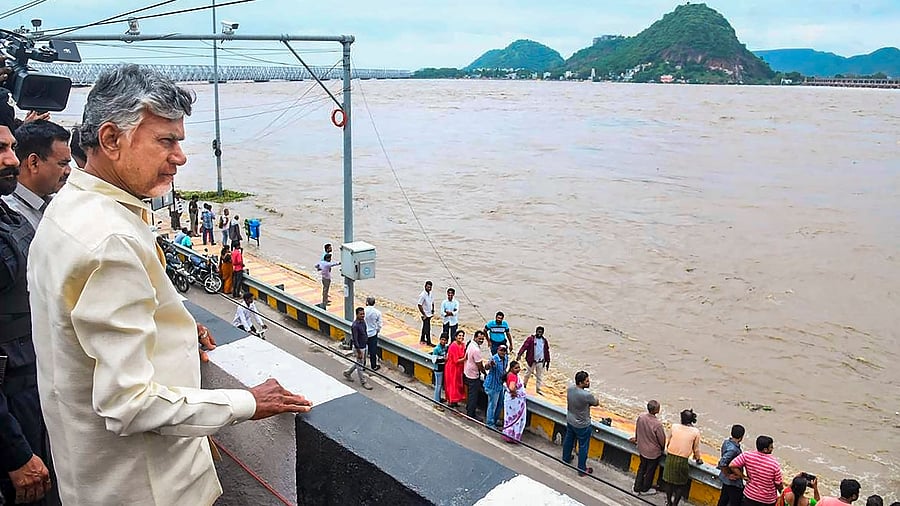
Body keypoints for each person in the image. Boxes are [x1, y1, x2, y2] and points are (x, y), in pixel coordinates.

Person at [26, 64, 313, 506]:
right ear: (110, 140)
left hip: (91, 478)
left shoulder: (66, 210)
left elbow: (85, 334)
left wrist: (171, 334)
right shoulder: (111, 240)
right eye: (166, 141)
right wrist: (245, 403)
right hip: (149, 488)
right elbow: (130, 404)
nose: (179, 157)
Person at [0, 122, 59, 506]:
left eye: (11, 148)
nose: (11, 160)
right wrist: (16, 452)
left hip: (30, 392)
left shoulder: (9, 217)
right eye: (1, 150)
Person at [2, 120, 71, 229]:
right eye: (62, 164)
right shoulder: (9, 216)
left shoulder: (56, 203)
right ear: (33, 163)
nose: (68, 171)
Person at [728, 435, 785, 506]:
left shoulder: (747, 455)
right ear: (765, 449)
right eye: (771, 447)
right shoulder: (774, 464)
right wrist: (781, 492)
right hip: (767, 500)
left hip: (749, 495)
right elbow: (778, 483)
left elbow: (732, 465)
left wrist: (743, 476)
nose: (772, 448)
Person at [663, 409, 703, 506]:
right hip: (682, 460)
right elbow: (696, 449)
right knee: (680, 485)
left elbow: (668, 442)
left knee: (669, 482)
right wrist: (698, 459)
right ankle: (675, 504)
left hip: (670, 458)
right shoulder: (695, 432)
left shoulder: (674, 427)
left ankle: (669, 502)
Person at [562, 370, 599, 476]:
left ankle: (566, 458)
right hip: (582, 424)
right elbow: (596, 402)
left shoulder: (570, 390)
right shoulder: (587, 395)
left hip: (570, 420)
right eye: (586, 381)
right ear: (581, 383)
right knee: (583, 446)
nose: (589, 382)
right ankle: (582, 469)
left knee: (569, 440)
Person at [630, 400, 666, 496]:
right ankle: (645, 489)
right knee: (650, 471)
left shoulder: (641, 417)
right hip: (653, 453)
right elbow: (662, 440)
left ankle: (636, 487)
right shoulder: (657, 424)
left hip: (642, 449)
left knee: (642, 468)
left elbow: (638, 430)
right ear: (656, 410)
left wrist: (637, 439)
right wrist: (662, 448)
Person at [343, 307, 373, 390]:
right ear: (357, 315)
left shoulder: (363, 322)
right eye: (361, 314)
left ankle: (347, 372)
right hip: (359, 348)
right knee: (360, 366)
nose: (363, 315)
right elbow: (355, 340)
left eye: (363, 314)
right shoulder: (355, 326)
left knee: (359, 363)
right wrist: (359, 351)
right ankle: (363, 382)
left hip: (364, 346)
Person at [516, 326, 551, 395]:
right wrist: (519, 354)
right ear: (536, 331)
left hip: (540, 361)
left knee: (539, 376)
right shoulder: (531, 339)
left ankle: (538, 389)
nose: (539, 333)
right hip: (531, 360)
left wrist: (548, 361)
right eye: (538, 331)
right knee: (527, 374)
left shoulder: (544, 341)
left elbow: (546, 351)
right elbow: (524, 346)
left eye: (541, 332)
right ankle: (524, 385)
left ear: (543, 333)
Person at [716, 424, 746, 506]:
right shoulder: (733, 450)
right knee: (735, 502)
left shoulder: (726, 443)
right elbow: (722, 462)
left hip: (726, 479)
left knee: (723, 499)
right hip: (733, 480)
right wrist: (728, 475)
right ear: (741, 437)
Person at [483, 344, 509, 429]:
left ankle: (495, 419)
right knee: (492, 404)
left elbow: (504, 370)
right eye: (501, 350)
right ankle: (489, 423)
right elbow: (487, 367)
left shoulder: (506, 358)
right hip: (492, 385)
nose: (502, 352)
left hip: (500, 384)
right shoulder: (494, 358)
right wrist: (490, 364)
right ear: (498, 350)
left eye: (504, 350)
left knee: (500, 403)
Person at [463, 330, 487, 418]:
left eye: (482, 339)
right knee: (473, 395)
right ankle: (471, 413)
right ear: (475, 337)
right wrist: (484, 372)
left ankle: (469, 408)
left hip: (467, 372)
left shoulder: (470, 344)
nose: (481, 341)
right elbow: (479, 364)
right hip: (473, 375)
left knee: (469, 393)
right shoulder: (476, 350)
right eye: (479, 339)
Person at [502, 360, 526, 443]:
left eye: (519, 367)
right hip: (514, 402)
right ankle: (513, 437)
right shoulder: (513, 376)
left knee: (509, 418)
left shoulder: (510, 375)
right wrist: (515, 393)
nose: (518, 369)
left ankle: (509, 435)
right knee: (515, 419)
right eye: (516, 368)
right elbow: (512, 387)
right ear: (511, 368)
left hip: (510, 401)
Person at [444, 330, 467, 408]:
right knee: (452, 384)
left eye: (462, 336)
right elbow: (456, 360)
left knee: (458, 385)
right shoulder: (453, 346)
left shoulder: (463, 345)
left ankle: (456, 400)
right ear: (455, 337)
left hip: (459, 368)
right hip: (452, 368)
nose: (461, 337)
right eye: (459, 336)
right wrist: (465, 358)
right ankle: (450, 401)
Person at [431, 332, 449, 410]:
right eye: (442, 340)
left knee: (440, 385)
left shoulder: (445, 348)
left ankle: (438, 398)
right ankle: (436, 403)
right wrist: (443, 359)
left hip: (443, 368)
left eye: (445, 340)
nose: (443, 341)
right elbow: (434, 360)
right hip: (438, 369)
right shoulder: (436, 349)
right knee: (438, 386)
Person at [364, 296, 383, 370]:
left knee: (363, 350)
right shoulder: (377, 313)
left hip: (364, 333)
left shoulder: (363, 311)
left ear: (367, 303)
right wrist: (377, 331)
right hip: (373, 334)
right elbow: (379, 324)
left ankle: (363, 365)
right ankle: (373, 365)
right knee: (373, 351)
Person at [417, 280, 435, 345]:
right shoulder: (422, 295)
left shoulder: (430, 293)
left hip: (429, 313)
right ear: (425, 286)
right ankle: (429, 342)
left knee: (425, 327)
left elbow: (432, 302)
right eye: (428, 287)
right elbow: (419, 305)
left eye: (430, 287)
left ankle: (422, 339)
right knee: (427, 328)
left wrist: (433, 309)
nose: (429, 288)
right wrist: (424, 314)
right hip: (425, 314)